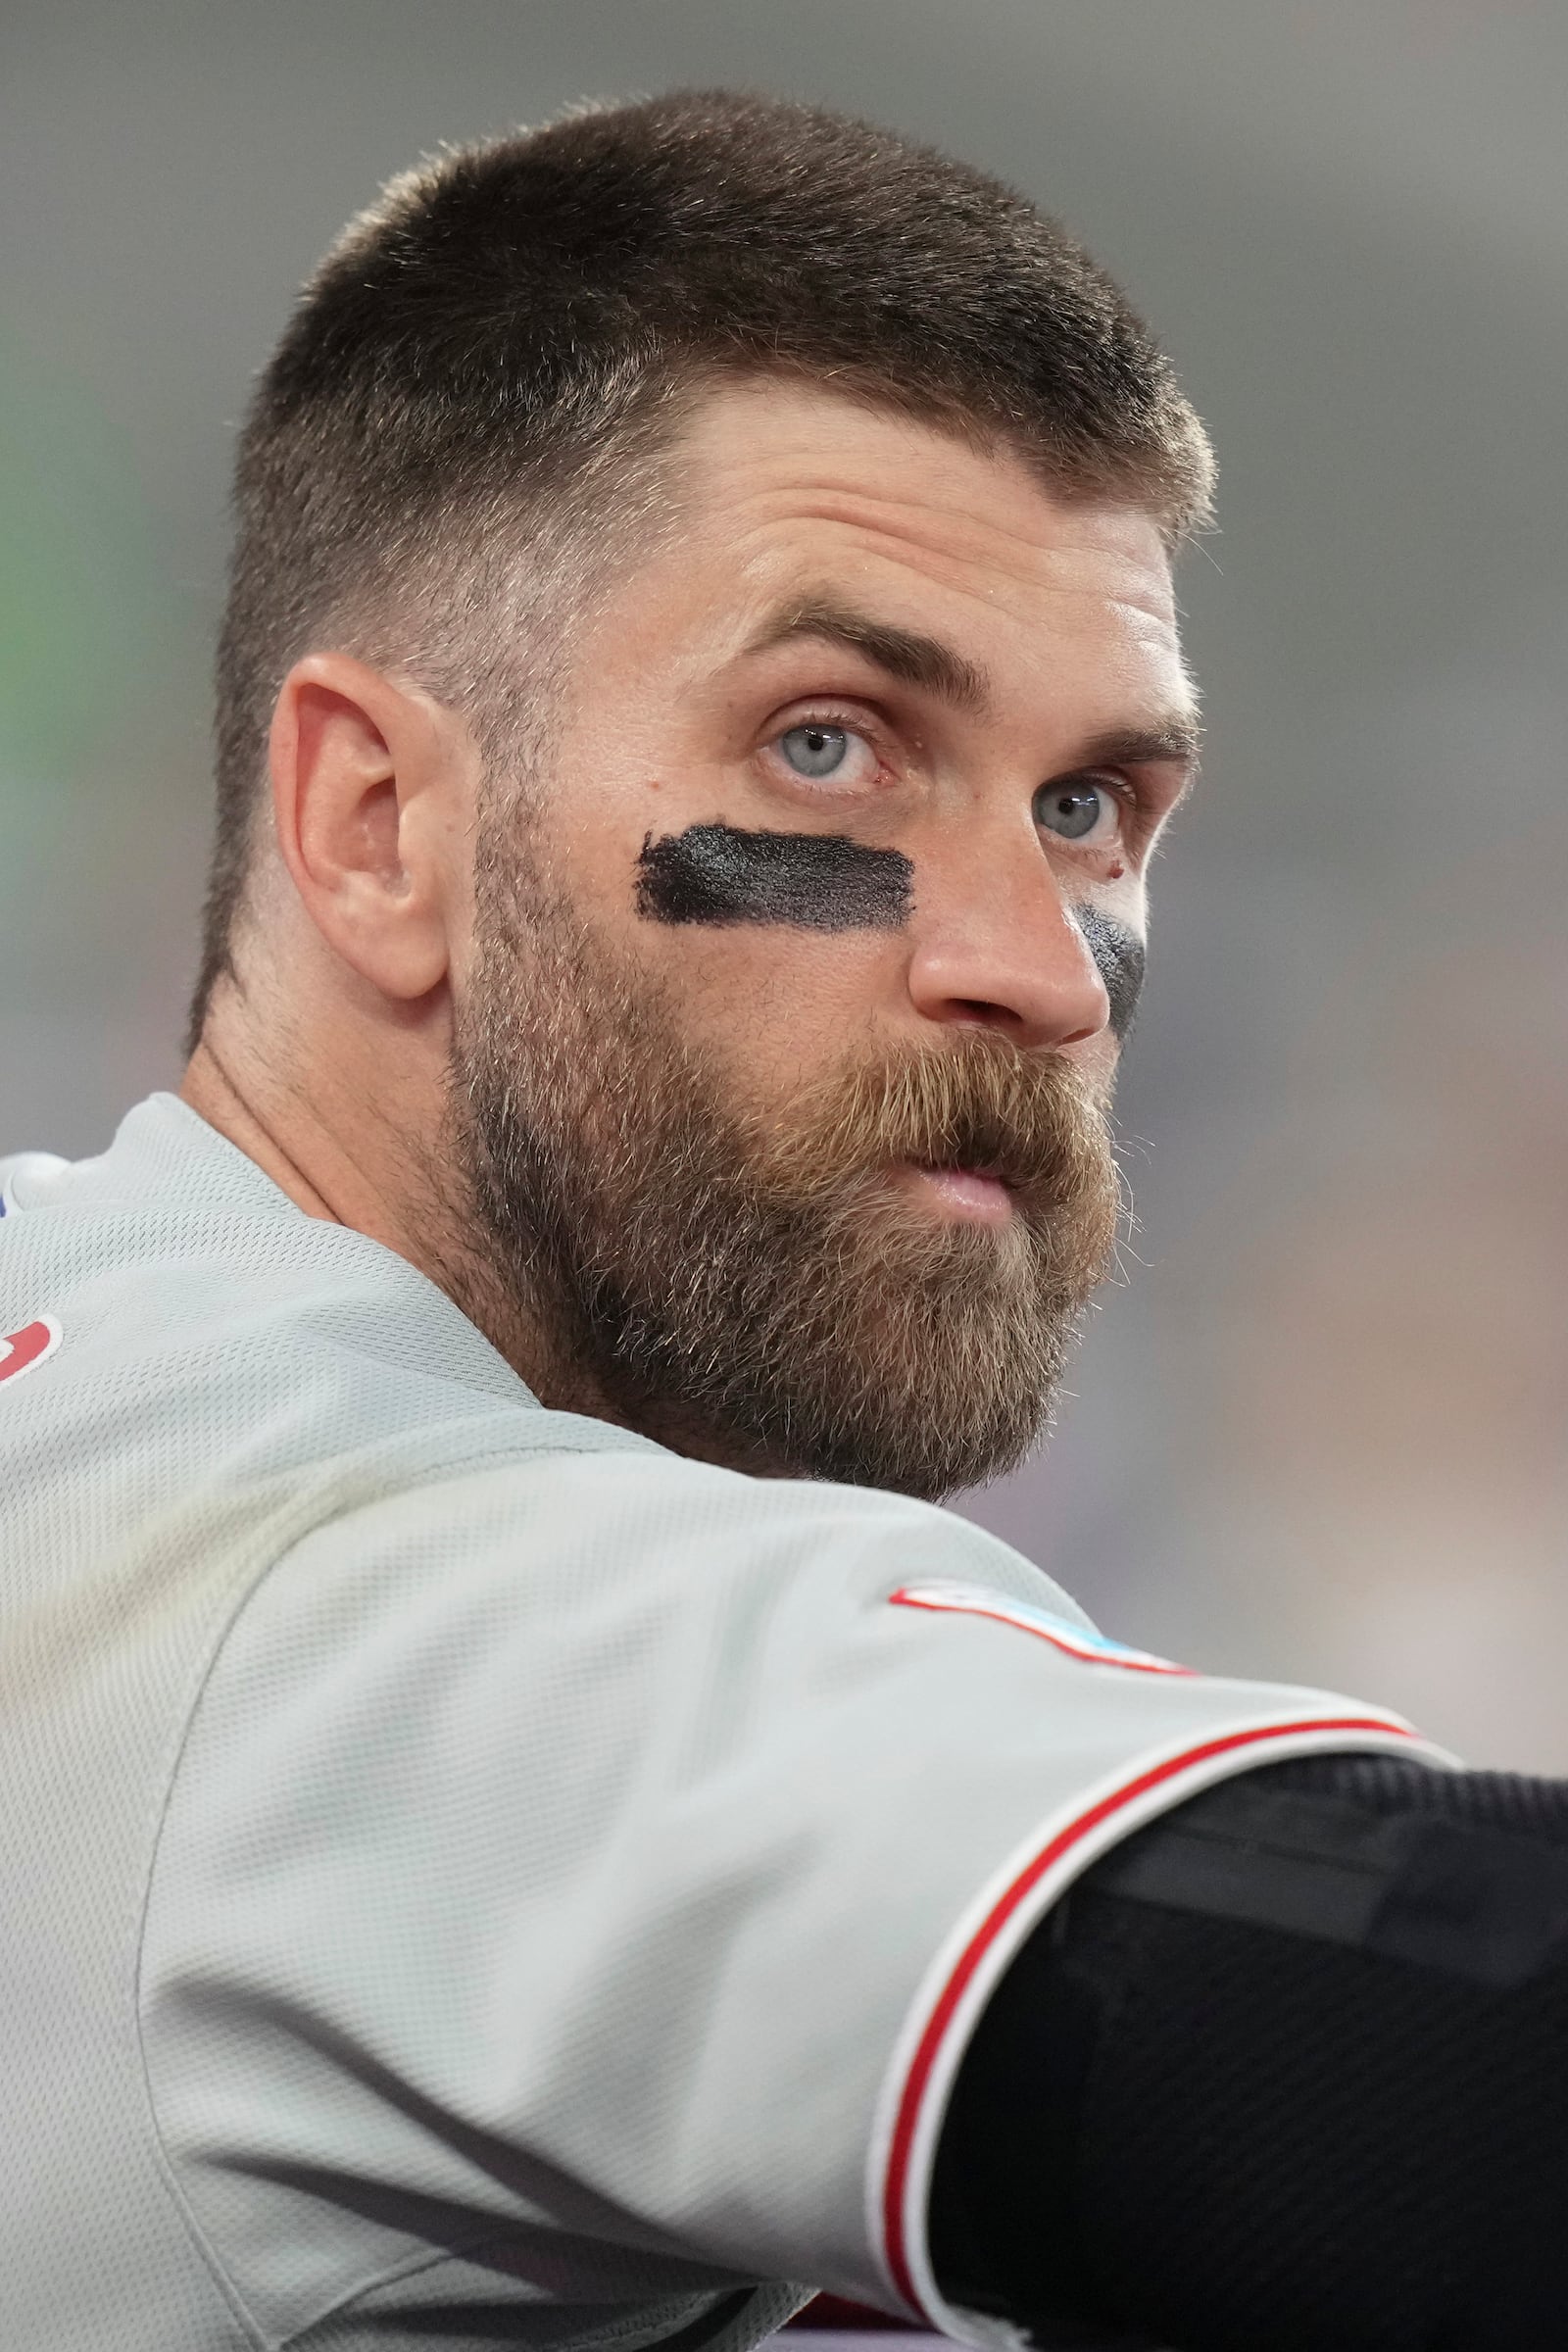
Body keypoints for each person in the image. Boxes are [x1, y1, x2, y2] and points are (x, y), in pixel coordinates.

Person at [2, 90, 1564, 2352]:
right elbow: (1430, 2034)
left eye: (1089, 806)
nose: (1035, 966)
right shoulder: (363, 1610)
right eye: (826, 745)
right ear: (370, 824)